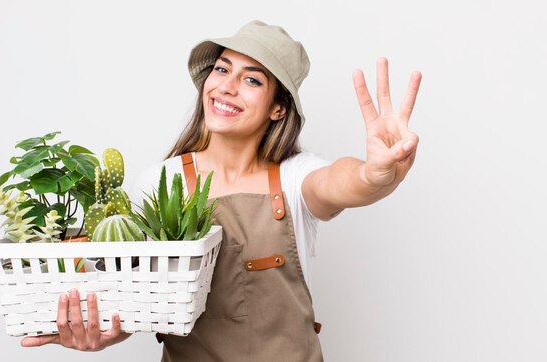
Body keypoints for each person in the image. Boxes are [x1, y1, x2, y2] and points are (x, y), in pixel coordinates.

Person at [21, 20, 422, 361]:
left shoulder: (296, 178)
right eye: (221, 69)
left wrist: (374, 174)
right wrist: (103, 331)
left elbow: (340, 181)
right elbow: (136, 299)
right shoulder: (160, 184)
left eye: (251, 79)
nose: (227, 87)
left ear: (278, 108)